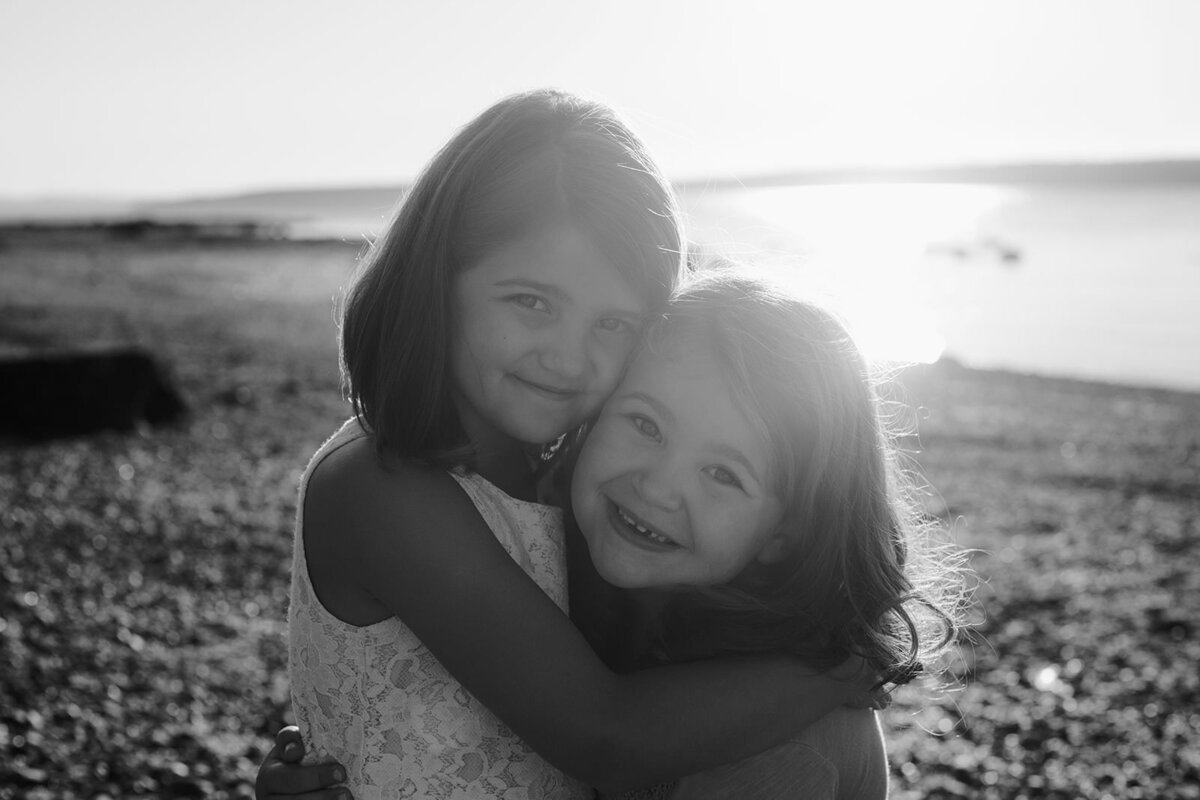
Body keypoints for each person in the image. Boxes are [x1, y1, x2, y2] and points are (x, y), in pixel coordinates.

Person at [274, 91, 885, 800]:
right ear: (437, 278)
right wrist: (835, 672)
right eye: (532, 302)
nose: (568, 360)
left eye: (614, 324)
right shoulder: (381, 489)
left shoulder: (558, 481)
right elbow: (604, 734)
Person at [260, 263, 965, 799]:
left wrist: (839, 671)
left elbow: (609, 739)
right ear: (594, 415)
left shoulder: (781, 741)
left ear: (788, 533)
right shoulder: (593, 597)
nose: (658, 486)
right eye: (645, 424)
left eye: (725, 475)